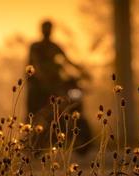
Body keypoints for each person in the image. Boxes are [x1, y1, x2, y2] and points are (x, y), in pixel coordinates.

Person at [27, 20, 92, 154]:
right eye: (45, 29)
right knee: (37, 112)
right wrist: (42, 77)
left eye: (49, 29)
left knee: (66, 102)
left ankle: (71, 135)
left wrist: (82, 72)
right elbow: (36, 65)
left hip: (55, 84)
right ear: (42, 30)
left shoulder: (55, 46)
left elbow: (67, 60)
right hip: (39, 86)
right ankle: (33, 140)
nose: (47, 31)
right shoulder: (36, 47)